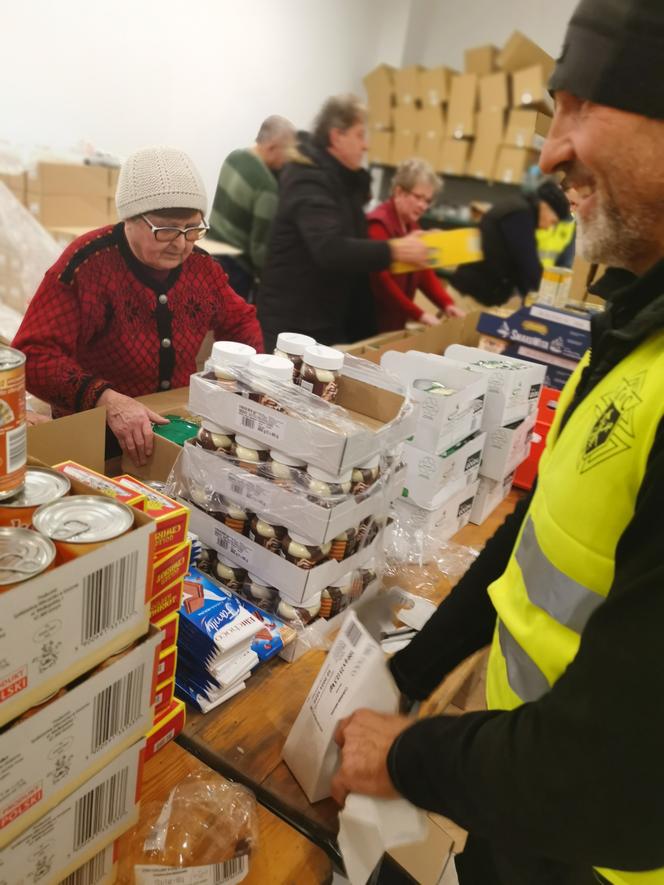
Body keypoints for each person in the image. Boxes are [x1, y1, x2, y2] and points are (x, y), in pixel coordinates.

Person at [331, 1, 664, 883]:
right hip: (522, 811)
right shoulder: (636, 322)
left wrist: (406, 755)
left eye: (581, 105)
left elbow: (620, 787)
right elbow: (538, 531)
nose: (551, 151)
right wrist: (413, 670)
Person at [13, 146, 263, 466]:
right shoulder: (87, 266)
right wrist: (107, 400)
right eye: (167, 229)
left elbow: (241, 321)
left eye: (193, 228)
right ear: (129, 218)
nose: (181, 243)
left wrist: (243, 384)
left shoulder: (202, 269)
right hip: (94, 433)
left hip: (171, 427)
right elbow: (34, 356)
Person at [256, 94, 430, 351]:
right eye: (360, 135)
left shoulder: (342, 183)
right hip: (292, 322)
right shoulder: (309, 178)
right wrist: (396, 249)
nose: (366, 146)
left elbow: (355, 245)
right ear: (337, 136)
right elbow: (330, 248)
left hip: (322, 317)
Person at [367, 158, 465, 331]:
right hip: (371, 322)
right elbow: (381, 281)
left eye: (427, 201)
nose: (422, 206)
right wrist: (419, 314)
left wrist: (446, 304)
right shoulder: (379, 224)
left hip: (393, 322)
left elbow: (422, 271)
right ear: (399, 192)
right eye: (418, 197)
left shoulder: (411, 225)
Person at [208, 115, 296, 299]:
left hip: (210, 253)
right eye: (287, 152)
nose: (288, 160)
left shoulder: (234, 157)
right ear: (272, 147)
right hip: (235, 270)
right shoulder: (266, 186)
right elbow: (259, 249)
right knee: (230, 325)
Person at [446, 178, 570, 306]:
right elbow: (527, 262)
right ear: (545, 206)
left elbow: (519, 265)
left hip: (474, 295)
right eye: (553, 221)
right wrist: (545, 296)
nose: (550, 227)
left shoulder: (520, 208)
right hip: (469, 297)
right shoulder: (520, 214)